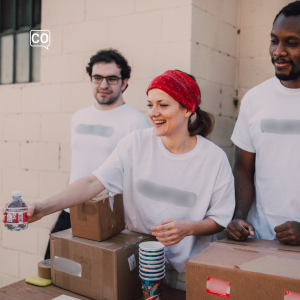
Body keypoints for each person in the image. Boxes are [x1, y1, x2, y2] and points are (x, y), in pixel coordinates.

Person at [4, 70, 235, 291]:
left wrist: (189, 228)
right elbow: (93, 183)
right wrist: (43, 207)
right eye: (150, 104)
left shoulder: (214, 158)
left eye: (163, 105)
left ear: (187, 110)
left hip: (188, 271)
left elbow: (220, 219)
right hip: (136, 263)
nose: (153, 112)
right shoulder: (135, 144)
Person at [44, 49, 150, 259]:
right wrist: (60, 214)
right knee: (53, 269)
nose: (103, 85)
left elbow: (140, 177)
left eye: (111, 79)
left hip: (109, 217)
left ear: (125, 82)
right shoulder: (79, 117)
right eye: (97, 78)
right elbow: (78, 166)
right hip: (71, 210)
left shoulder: (136, 122)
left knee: (94, 281)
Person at [226, 1, 300, 245]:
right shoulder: (254, 99)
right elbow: (244, 169)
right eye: (274, 40)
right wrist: (239, 217)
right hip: (261, 241)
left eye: (292, 43)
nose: (278, 51)